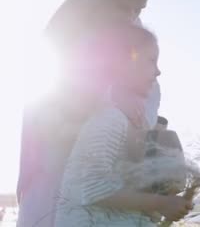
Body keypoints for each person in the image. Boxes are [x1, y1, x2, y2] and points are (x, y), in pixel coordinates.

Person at [17, 0, 164, 227]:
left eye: (139, 9)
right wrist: (110, 99)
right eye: (123, 7)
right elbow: (50, 108)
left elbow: (149, 94)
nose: (130, 16)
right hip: (58, 175)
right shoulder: (65, 34)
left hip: (107, 180)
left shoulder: (135, 38)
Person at [54, 24, 192, 226]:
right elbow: (91, 186)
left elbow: (128, 189)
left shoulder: (136, 121)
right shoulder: (110, 119)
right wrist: (160, 203)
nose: (158, 71)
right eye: (151, 61)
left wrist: (164, 205)